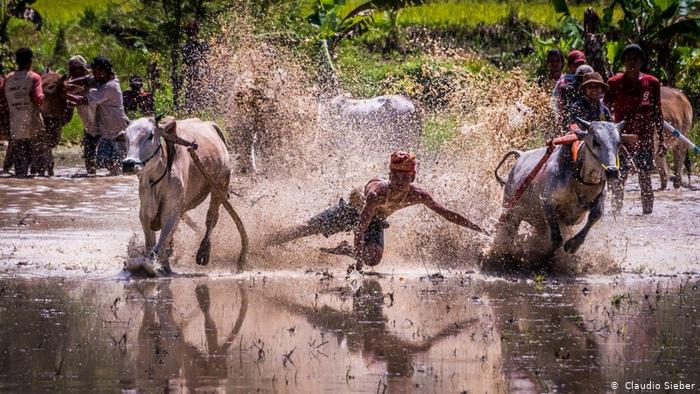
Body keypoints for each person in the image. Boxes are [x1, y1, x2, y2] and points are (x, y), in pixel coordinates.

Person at [267, 151, 488, 274]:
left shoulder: (418, 195)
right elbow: (360, 226)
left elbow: (446, 213)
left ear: (413, 177)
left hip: (376, 221)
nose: (399, 181)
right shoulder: (376, 194)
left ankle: (347, 250)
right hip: (351, 212)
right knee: (307, 228)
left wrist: (478, 229)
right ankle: (264, 242)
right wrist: (358, 265)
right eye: (395, 175)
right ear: (389, 175)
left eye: (404, 177)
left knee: (374, 259)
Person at [604, 44, 665, 215]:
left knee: (645, 178)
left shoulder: (651, 83)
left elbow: (657, 112)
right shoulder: (614, 83)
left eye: (636, 58)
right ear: (623, 62)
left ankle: (648, 216)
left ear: (641, 62)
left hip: (644, 139)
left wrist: (661, 139)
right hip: (621, 140)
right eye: (628, 58)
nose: (632, 61)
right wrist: (615, 136)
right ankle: (616, 215)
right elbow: (606, 113)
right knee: (619, 179)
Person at [68, 56, 129, 175]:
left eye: (94, 71)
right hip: (105, 131)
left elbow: (84, 100)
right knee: (110, 166)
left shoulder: (110, 87)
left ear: (102, 71)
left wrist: (64, 94)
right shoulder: (101, 80)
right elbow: (85, 80)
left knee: (120, 169)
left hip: (117, 132)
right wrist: (68, 83)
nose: (92, 74)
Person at [3, 48, 44, 178]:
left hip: (15, 125)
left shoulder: (8, 78)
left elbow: (2, 100)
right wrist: (43, 96)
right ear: (31, 60)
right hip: (33, 125)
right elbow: (38, 99)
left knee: (20, 169)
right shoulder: (34, 77)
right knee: (37, 169)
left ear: (16, 61)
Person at [66, 55, 99, 175]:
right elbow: (67, 117)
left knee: (111, 163)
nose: (74, 71)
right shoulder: (71, 86)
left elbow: (84, 100)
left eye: (77, 68)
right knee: (90, 165)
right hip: (89, 129)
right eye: (71, 69)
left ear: (83, 69)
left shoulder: (94, 81)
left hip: (103, 128)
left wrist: (67, 95)